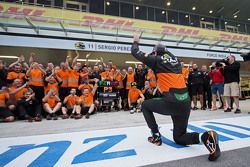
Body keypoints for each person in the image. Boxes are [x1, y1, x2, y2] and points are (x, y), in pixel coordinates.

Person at [131, 35, 221, 161]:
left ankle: (155, 135)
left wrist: (135, 41)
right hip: (185, 102)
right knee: (179, 137)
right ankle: (205, 136)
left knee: (145, 105)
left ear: (155, 52)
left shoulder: (156, 59)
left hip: (171, 101)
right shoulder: (176, 61)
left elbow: (135, 52)